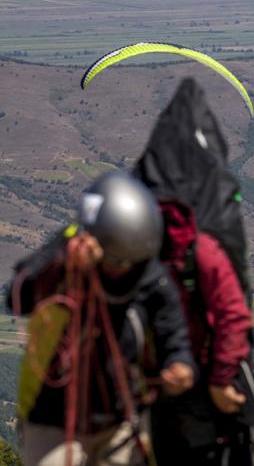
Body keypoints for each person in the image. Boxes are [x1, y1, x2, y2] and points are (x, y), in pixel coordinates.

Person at [9, 171, 196, 466]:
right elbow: (18, 296)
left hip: (119, 418)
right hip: (54, 418)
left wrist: (180, 364)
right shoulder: (65, 249)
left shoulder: (149, 275)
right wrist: (63, 265)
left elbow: (173, 333)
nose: (123, 271)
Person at [135, 78, 254, 465]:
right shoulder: (184, 249)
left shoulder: (198, 251)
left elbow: (230, 315)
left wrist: (219, 377)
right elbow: (234, 314)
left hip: (195, 377)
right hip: (181, 378)